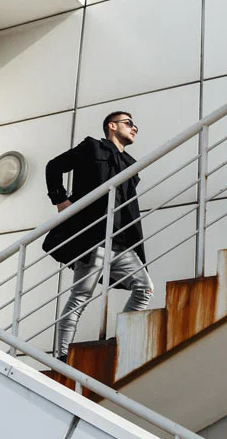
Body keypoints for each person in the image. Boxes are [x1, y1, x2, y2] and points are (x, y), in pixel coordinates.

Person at [43, 111, 154, 362]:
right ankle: (61, 355)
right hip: (92, 237)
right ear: (112, 126)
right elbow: (54, 166)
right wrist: (61, 200)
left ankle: (122, 341)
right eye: (129, 123)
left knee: (144, 287)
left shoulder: (130, 164)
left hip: (121, 241)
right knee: (81, 296)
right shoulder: (92, 147)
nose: (134, 128)